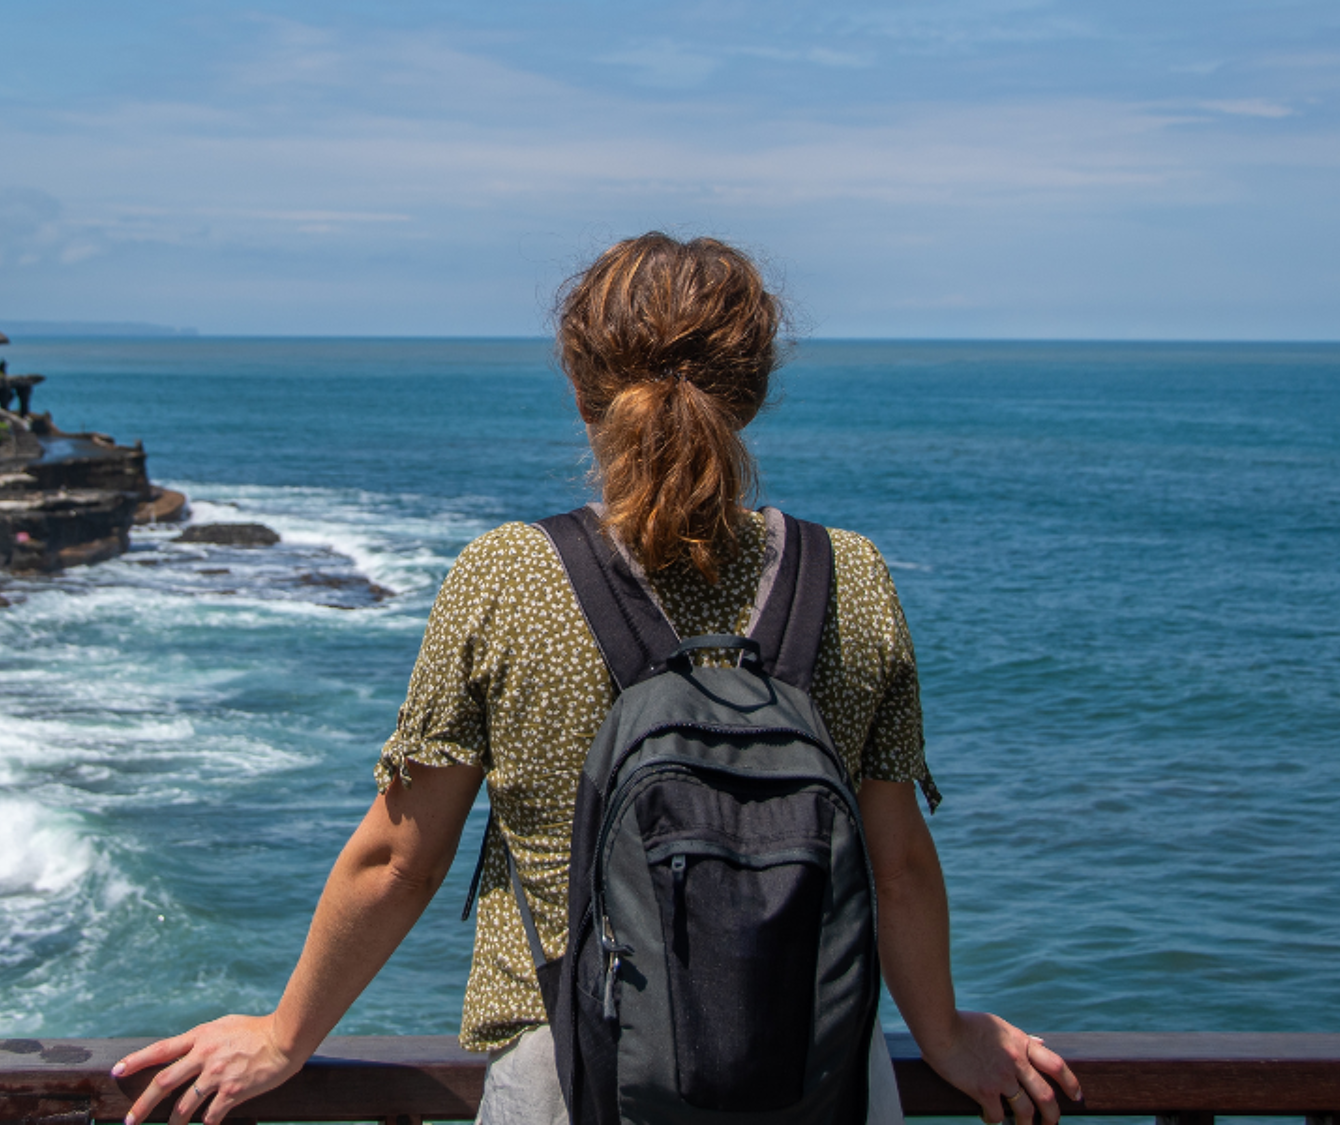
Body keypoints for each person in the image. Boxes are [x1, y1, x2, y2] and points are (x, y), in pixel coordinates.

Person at [113, 233, 1081, 1125]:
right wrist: (945, 1035)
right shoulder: (850, 579)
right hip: (817, 1076)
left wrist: (285, 1038)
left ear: (579, 390)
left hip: (569, 1074)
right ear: (752, 394)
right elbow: (899, 865)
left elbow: (399, 859)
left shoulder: (509, 575)